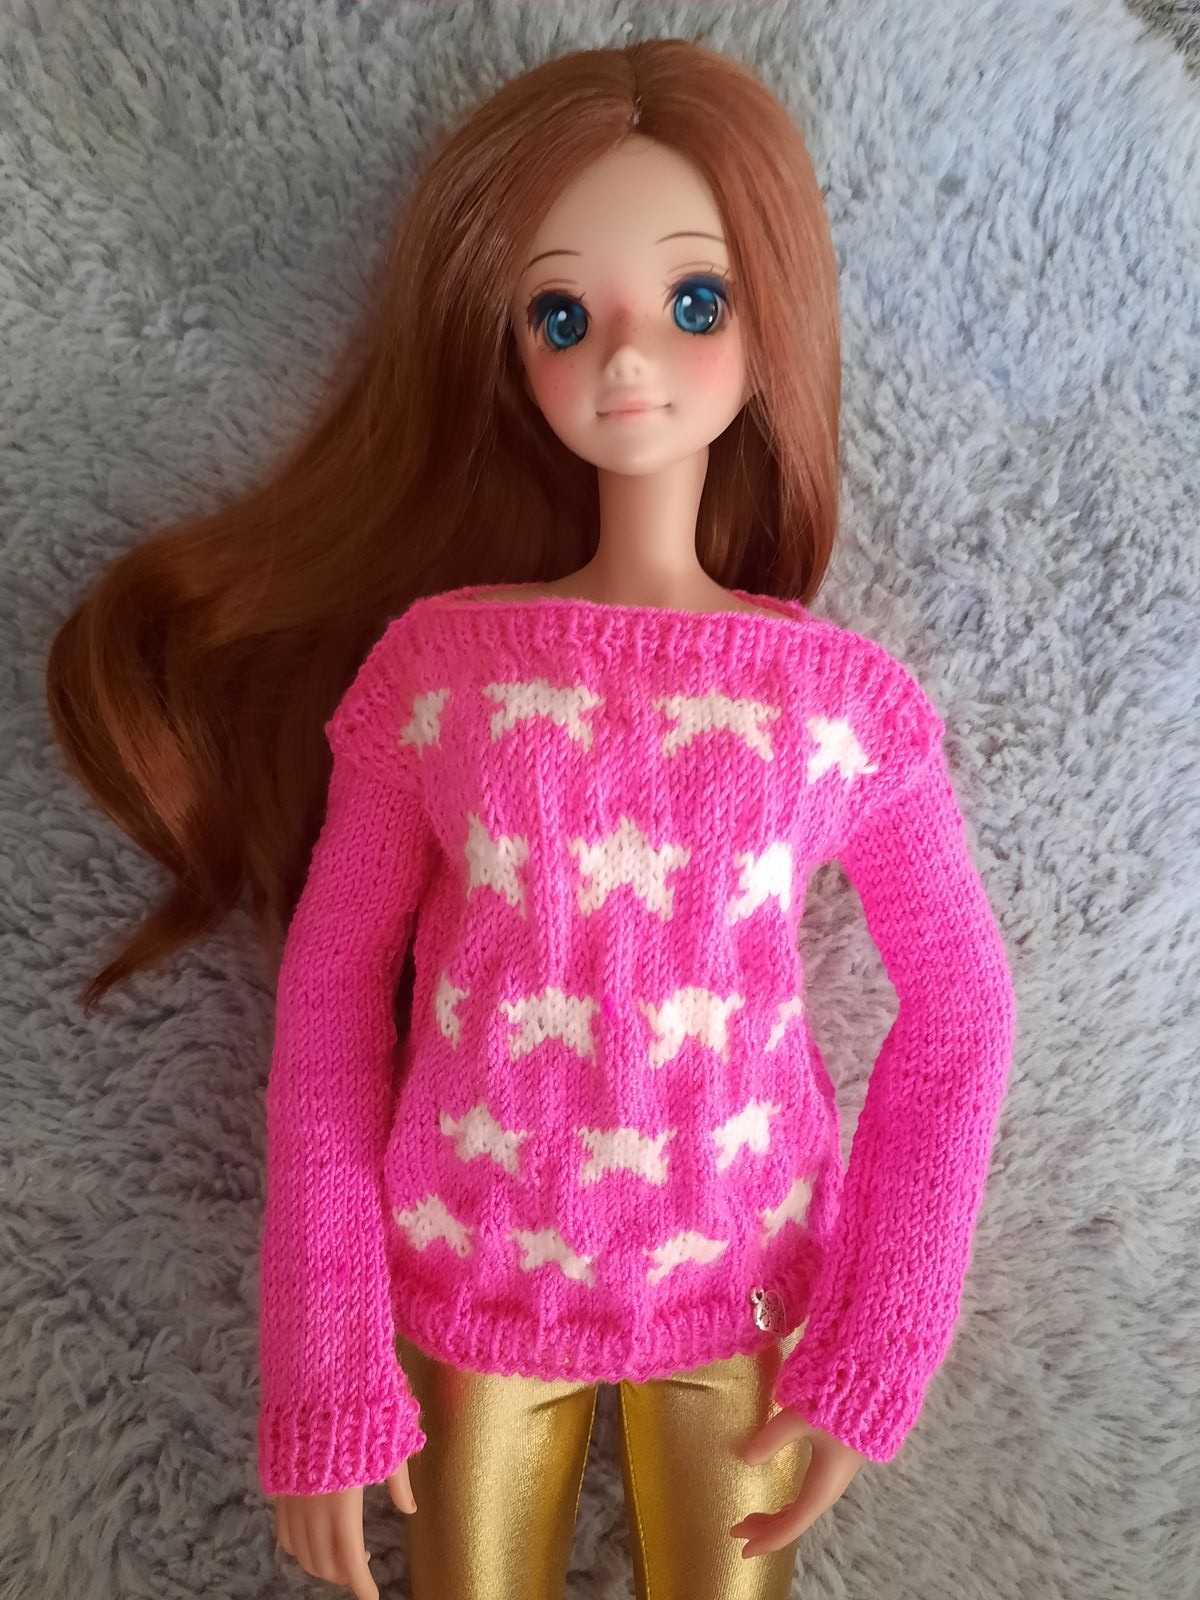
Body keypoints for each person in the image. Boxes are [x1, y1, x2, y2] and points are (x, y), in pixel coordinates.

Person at [45, 38, 1018, 1600]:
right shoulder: (437, 673)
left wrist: (876, 1334)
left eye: (693, 302)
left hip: (747, 1290)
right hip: (471, 1285)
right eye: (564, 316)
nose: (627, 358)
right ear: (510, 347)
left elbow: (961, 1012)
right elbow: (329, 1001)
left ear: (772, 321)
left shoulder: (841, 704)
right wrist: (326, 1355)